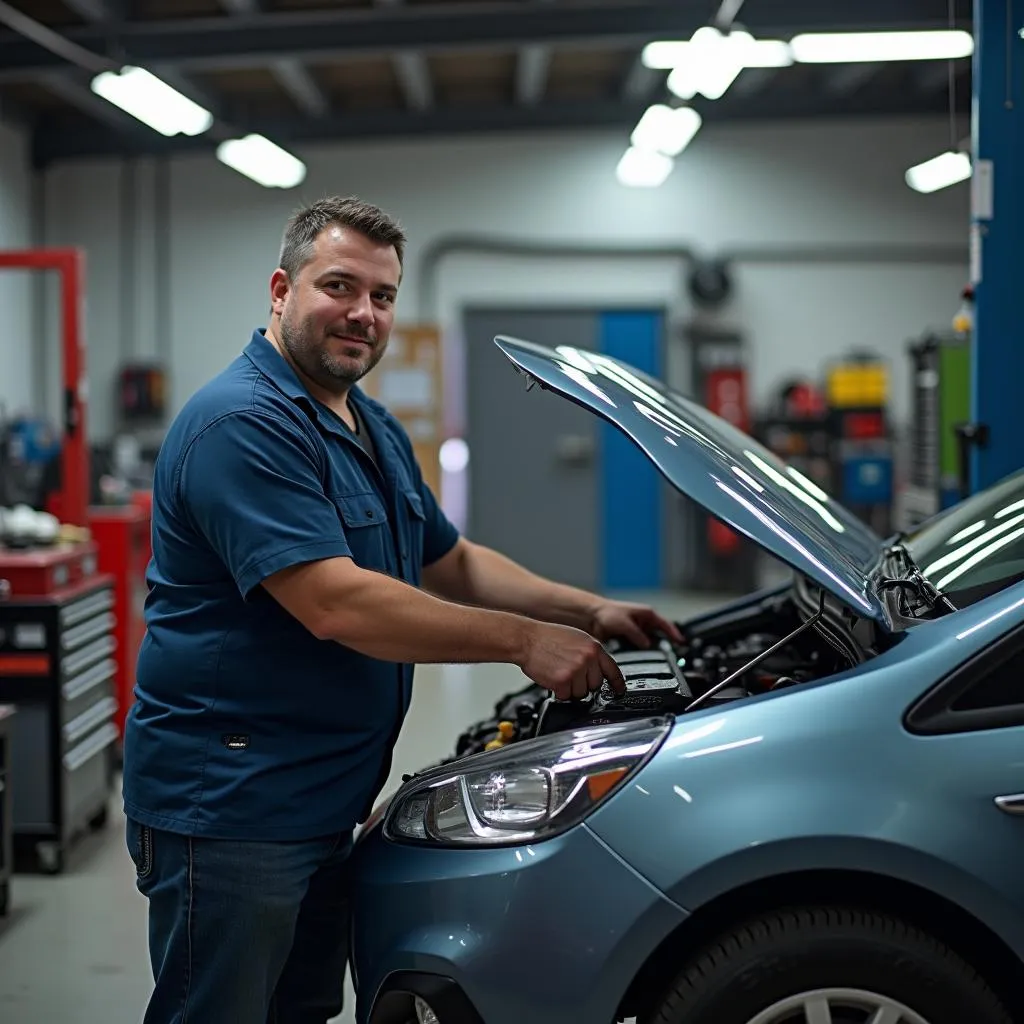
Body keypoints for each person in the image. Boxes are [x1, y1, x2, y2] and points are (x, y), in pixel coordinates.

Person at [122, 195, 681, 1024]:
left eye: (382, 296)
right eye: (338, 287)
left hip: (320, 796)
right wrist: (525, 642)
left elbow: (448, 559)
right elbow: (334, 603)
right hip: (234, 805)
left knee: (298, 1010)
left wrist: (588, 609)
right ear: (281, 290)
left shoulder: (368, 424)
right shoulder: (241, 423)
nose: (363, 314)